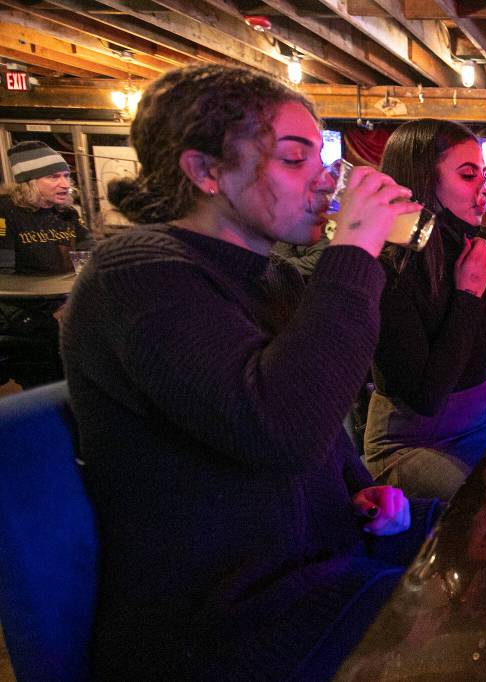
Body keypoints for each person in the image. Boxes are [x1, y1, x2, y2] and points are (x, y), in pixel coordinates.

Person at [60, 64, 437, 679]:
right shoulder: (137, 271)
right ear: (205, 171)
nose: (325, 180)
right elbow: (281, 428)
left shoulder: (276, 276)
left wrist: (358, 492)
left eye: (322, 158)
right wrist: (353, 249)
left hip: (316, 572)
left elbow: (319, 425)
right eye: (294, 159)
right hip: (223, 627)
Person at [364, 118, 486, 500]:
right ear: (422, 180)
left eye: (484, 175)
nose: (484, 190)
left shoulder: (485, 242)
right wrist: (467, 295)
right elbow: (427, 398)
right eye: (469, 175)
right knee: (481, 504)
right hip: (415, 442)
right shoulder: (388, 266)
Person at [0, 141, 93, 275]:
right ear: (30, 183)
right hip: (27, 288)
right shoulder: (6, 211)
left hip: (65, 287)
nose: (65, 184)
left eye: (66, 176)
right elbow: (4, 273)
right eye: (54, 177)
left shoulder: (68, 212)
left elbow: (89, 249)